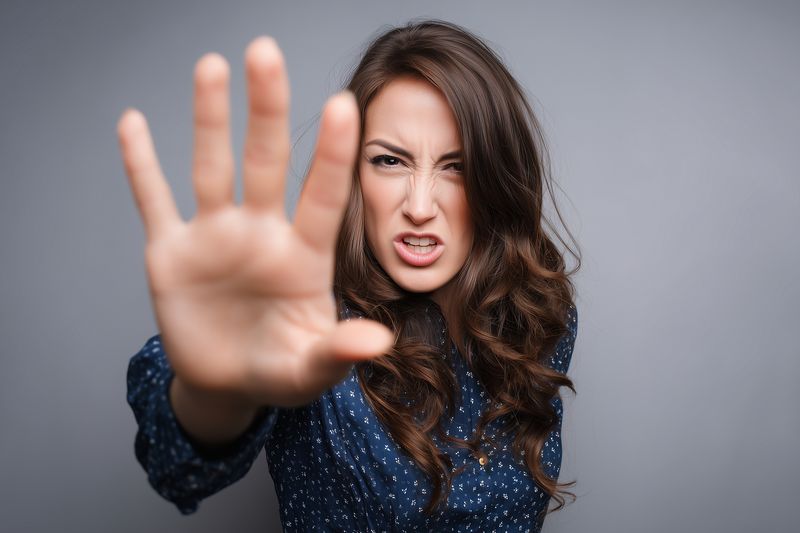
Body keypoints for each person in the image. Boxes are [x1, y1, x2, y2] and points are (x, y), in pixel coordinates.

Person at [120, 18, 580, 532]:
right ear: (354, 173)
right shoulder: (306, 323)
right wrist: (215, 398)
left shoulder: (535, 317)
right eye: (389, 161)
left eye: (457, 166)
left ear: (495, 177)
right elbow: (177, 466)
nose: (421, 205)